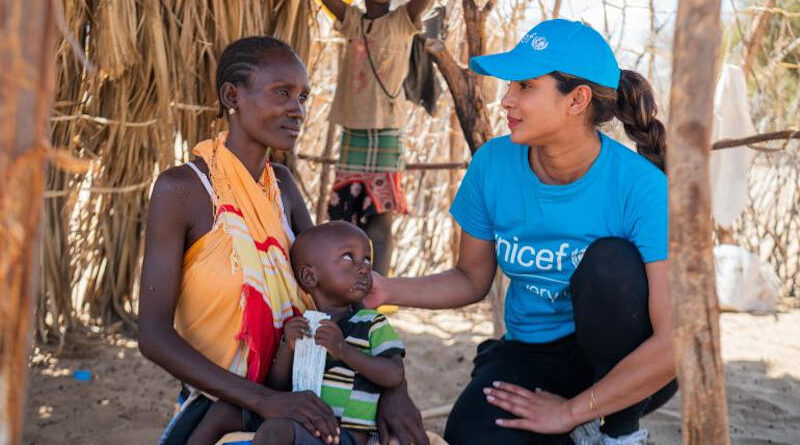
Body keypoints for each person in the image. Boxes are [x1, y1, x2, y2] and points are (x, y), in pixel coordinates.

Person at [364, 19, 678, 445]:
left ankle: (619, 434)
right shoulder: (494, 165)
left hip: (631, 363)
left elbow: (673, 343)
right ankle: (576, 429)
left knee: (609, 263)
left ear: (577, 100)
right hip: (535, 355)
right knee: (469, 435)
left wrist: (568, 410)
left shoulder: (642, 187)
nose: (506, 100)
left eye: (525, 86)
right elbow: (470, 279)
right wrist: (384, 290)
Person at [138, 36, 429, 445]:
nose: (298, 110)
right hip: (221, 402)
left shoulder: (283, 186)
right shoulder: (182, 190)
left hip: (300, 389)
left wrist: (395, 390)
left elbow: (330, 286)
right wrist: (262, 400)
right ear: (231, 95)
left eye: (303, 96)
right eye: (282, 93)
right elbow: (152, 334)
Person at [185, 222, 406, 445]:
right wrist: (286, 348)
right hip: (300, 418)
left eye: (367, 260)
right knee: (225, 410)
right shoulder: (302, 323)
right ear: (310, 277)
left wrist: (344, 350)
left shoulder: (371, 324)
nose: (363, 268)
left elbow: (394, 374)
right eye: (349, 258)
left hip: (341, 433)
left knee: (277, 431)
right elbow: (278, 386)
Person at [320, 0, 432, 276]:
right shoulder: (353, 21)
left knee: (380, 218)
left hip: (387, 131)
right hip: (353, 130)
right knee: (345, 216)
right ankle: (345, 289)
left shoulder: (402, 21)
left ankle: (376, 295)